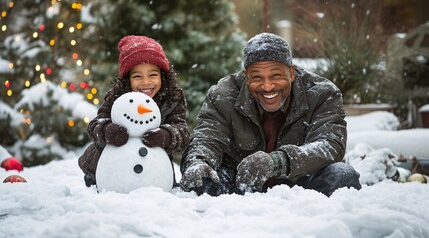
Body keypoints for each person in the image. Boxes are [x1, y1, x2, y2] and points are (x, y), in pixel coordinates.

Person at [180, 33, 361, 197]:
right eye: (257, 77)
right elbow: (206, 139)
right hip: (239, 185)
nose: (267, 86)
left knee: (343, 177)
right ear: (246, 76)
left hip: (301, 184)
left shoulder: (322, 93)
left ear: (291, 72)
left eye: (275, 76)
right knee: (201, 180)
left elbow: (330, 145)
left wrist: (276, 162)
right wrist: (198, 162)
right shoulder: (223, 94)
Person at [78, 35, 190, 187]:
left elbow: (182, 133)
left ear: (163, 77)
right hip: (109, 169)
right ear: (127, 79)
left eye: (153, 75)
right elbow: (95, 125)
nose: (146, 82)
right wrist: (108, 131)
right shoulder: (116, 98)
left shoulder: (171, 100)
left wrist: (165, 136)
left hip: (153, 171)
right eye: (137, 76)